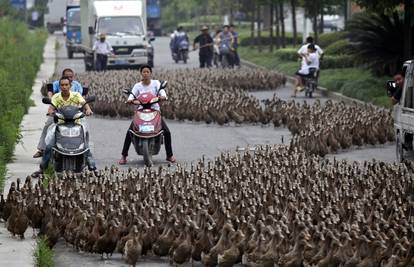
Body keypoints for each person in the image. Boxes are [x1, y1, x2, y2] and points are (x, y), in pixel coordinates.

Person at [31, 76, 94, 177]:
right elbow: (51, 108)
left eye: (66, 85)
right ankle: (42, 168)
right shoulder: (56, 97)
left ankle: (91, 164)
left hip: (77, 123)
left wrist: (88, 110)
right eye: (62, 85)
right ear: (59, 86)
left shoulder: (76, 95)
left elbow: (84, 104)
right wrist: (50, 112)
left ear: (70, 85)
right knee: (49, 145)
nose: (64, 87)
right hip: (60, 123)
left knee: (86, 142)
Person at [118, 65, 176, 165]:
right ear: (141, 73)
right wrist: (130, 100)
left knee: (167, 132)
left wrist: (163, 97)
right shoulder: (137, 86)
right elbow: (131, 96)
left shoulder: (156, 83)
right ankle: (124, 155)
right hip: (140, 111)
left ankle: (169, 155)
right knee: (130, 132)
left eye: (147, 72)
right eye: (143, 72)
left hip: (154, 110)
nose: (145, 73)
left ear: (150, 73)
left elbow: (162, 93)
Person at [33, 68, 83, 158]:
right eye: (67, 77)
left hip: (74, 114)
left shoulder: (77, 86)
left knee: (84, 128)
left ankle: (84, 150)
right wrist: (51, 104)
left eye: (71, 77)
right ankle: (42, 149)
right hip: (58, 112)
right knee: (48, 125)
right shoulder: (57, 84)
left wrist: (86, 109)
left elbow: (82, 98)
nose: (69, 79)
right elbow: (50, 93)